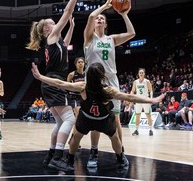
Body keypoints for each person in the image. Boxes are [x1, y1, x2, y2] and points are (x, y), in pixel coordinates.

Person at [31, 62, 166, 171]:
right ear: (103, 76)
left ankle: (70, 160)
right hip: (103, 120)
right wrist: (152, 100)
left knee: (76, 137)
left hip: (86, 119)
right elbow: (130, 96)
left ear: (88, 75)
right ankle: (120, 159)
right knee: (115, 138)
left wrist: (40, 77)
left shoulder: (83, 86)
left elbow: (60, 83)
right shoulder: (108, 90)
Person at [26, 0, 87, 168]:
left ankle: (50, 155)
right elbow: (68, 10)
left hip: (51, 82)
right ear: (47, 30)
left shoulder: (56, 42)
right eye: (53, 23)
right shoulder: (51, 37)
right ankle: (58, 158)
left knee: (60, 123)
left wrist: (72, 27)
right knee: (69, 119)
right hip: (54, 81)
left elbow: (66, 43)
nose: (55, 24)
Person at [83, 0, 135, 168]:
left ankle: (121, 152)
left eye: (102, 19)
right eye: (97, 19)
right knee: (96, 122)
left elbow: (132, 33)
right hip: (94, 83)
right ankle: (94, 151)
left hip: (112, 81)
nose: (98, 19)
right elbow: (91, 16)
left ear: (106, 24)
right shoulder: (89, 39)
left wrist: (124, 14)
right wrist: (105, 7)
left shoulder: (111, 39)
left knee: (117, 120)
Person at [67, 57, 85, 146]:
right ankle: (74, 140)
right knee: (78, 117)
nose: (81, 63)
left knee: (81, 120)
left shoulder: (87, 75)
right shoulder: (71, 74)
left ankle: (73, 138)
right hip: (74, 98)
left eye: (82, 62)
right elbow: (66, 86)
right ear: (75, 64)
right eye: (79, 62)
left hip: (84, 98)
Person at [130, 68, 154, 136]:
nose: (141, 74)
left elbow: (151, 90)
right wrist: (131, 96)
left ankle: (151, 130)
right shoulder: (135, 82)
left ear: (144, 74)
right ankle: (137, 130)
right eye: (140, 72)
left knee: (148, 115)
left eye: (142, 73)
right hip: (138, 100)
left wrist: (151, 99)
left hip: (145, 100)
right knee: (137, 115)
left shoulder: (147, 81)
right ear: (138, 74)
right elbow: (132, 90)